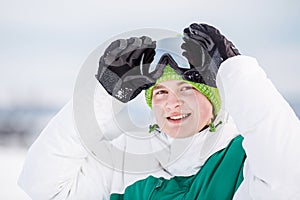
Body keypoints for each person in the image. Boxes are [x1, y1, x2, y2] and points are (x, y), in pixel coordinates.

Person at [18, 23, 300, 199]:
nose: (172, 104)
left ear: (216, 99)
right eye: (161, 93)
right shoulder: (127, 161)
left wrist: (236, 72)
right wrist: (103, 94)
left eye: (188, 90)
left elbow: (288, 182)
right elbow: (45, 187)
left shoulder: (246, 158)